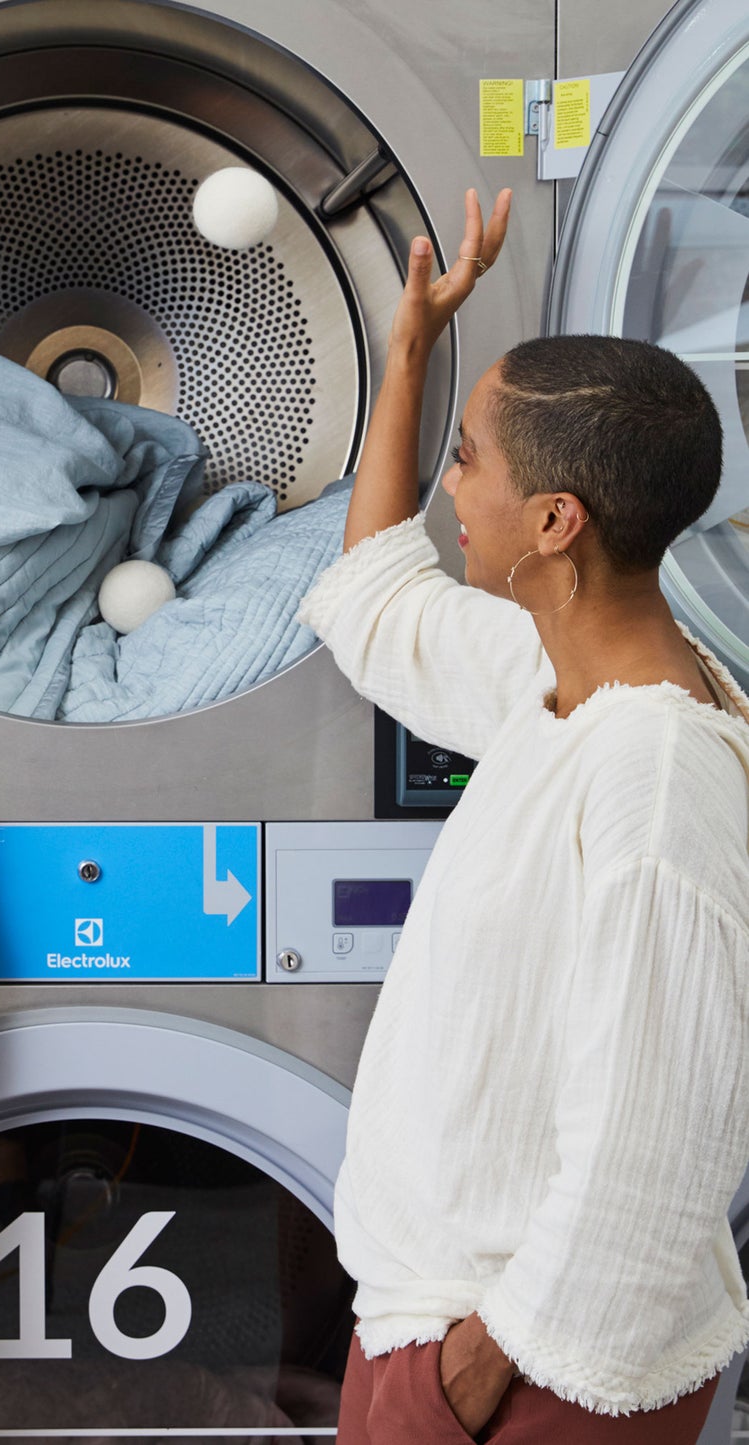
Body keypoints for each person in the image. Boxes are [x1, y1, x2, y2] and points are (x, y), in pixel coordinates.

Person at [300, 191, 749, 1442]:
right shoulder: (552, 679)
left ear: (553, 523)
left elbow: (653, 1146)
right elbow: (370, 597)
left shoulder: (654, 773)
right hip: (439, 1336)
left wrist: (482, 1369)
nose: (449, 485)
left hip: (528, 1375)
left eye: (466, 460)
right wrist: (406, 352)